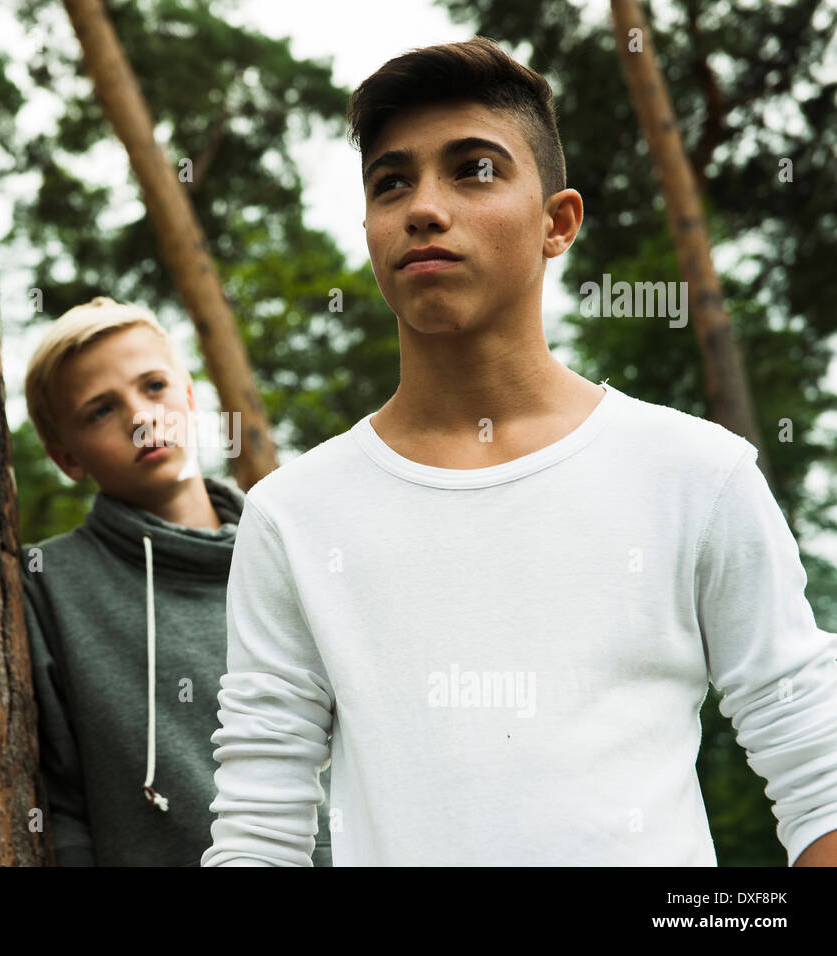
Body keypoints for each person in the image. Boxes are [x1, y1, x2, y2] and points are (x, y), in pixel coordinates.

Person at [202, 36, 837, 866]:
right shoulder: (294, 514)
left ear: (557, 223)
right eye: (392, 182)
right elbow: (260, 823)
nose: (424, 206)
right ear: (370, 229)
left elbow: (816, 767)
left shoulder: (697, 475)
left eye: (475, 170)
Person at [21, 295, 334, 865]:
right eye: (99, 410)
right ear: (66, 458)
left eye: (155, 387)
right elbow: (60, 803)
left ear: (190, 398)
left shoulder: (300, 552)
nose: (141, 417)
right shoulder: (47, 585)